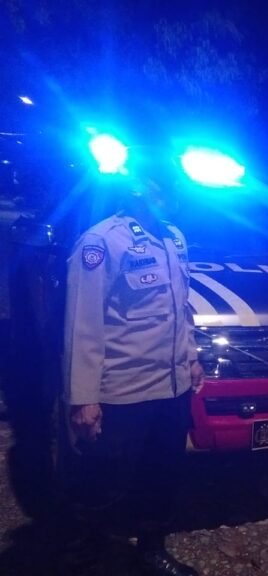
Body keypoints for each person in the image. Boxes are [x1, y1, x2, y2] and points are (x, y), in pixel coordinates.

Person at [62, 158, 203, 576]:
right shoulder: (102, 242)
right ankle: (87, 557)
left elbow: (180, 308)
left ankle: (151, 551)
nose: (175, 192)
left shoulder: (174, 238)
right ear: (139, 185)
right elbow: (82, 324)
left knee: (161, 476)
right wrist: (83, 398)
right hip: (123, 390)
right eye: (167, 183)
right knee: (104, 482)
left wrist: (192, 357)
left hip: (172, 387)